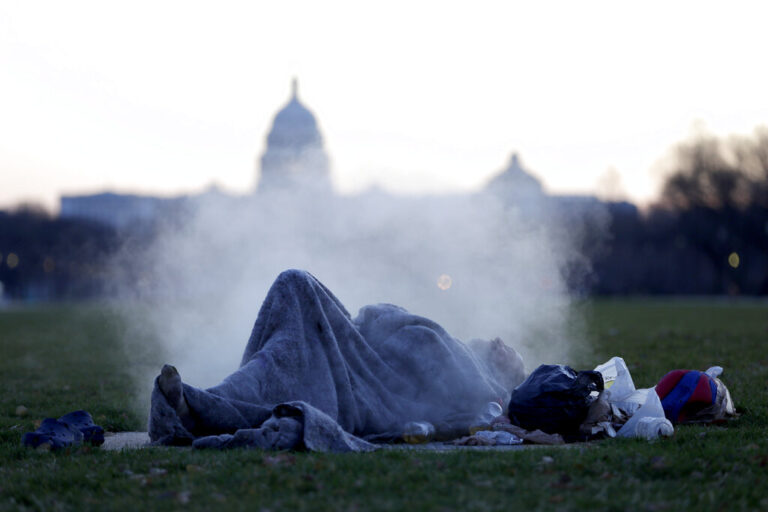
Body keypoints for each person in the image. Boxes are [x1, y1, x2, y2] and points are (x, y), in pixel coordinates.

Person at [150, 269, 525, 450]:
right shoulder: (459, 347)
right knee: (283, 333)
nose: (499, 342)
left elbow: (434, 369)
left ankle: (199, 408)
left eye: (508, 354)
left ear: (503, 376)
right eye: (502, 341)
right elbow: (381, 319)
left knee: (286, 359)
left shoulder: (481, 385)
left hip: (361, 378)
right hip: (353, 343)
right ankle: (202, 402)